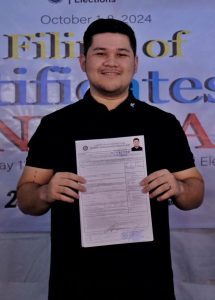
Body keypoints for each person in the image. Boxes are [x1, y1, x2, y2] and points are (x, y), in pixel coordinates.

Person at [16, 18, 204, 300]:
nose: (111, 62)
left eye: (121, 54)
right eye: (100, 53)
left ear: (136, 63)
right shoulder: (56, 125)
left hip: (148, 281)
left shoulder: (162, 124)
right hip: (75, 282)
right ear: (83, 61)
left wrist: (179, 188)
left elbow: (195, 193)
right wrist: (44, 191)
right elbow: (26, 200)